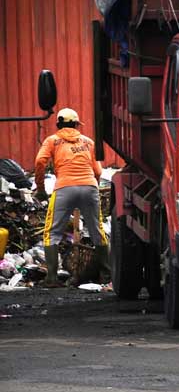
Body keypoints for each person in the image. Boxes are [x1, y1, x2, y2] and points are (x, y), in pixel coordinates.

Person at [34, 108, 111, 287]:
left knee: (51, 233)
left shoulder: (52, 141)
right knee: (97, 231)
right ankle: (107, 275)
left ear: (58, 124)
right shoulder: (88, 142)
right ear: (76, 125)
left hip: (64, 188)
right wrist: (91, 188)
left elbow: (39, 162)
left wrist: (40, 188)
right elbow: (98, 171)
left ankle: (51, 279)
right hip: (89, 186)